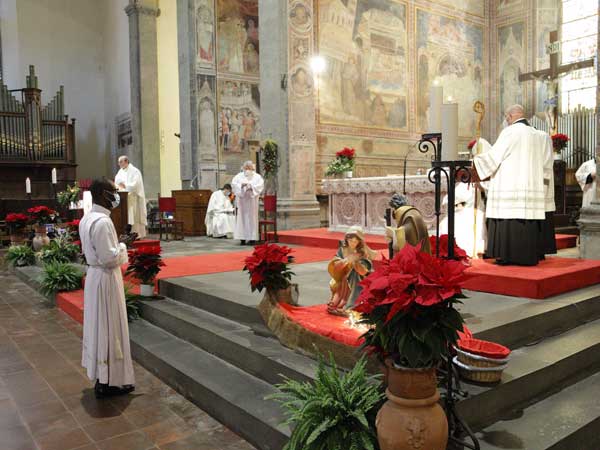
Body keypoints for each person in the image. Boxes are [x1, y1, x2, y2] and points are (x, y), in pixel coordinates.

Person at [79, 179, 135, 399]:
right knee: (109, 327)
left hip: (95, 276)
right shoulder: (102, 222)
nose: (116, 195)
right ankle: (108, 382)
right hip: (106, 279)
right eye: (114, 191)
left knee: (99, 326)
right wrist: (124, 245)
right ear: (103, 194)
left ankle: (104, 378)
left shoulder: (87, 218)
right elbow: (109, 259)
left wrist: (117, 244)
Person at [472, 105, 546, 266]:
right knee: (526, 220)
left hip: (511, 183)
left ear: (510, 116)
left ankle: (508, 256)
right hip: (530, 184)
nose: (506, 120)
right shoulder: (535, 134)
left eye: (506, 117)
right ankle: (527, 257)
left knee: (509, 217)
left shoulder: (510, 132)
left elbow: (494, 156)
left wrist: (476, 161)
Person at [327, 226, 377, 315]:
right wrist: (343, 262)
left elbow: (365, 268)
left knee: (354, 274)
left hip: (359, 277)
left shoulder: (362, 252)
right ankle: (341, 303)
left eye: (355, 241)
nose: (353, 243)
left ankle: (352, 305)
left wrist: (356, 263)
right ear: (346, 240)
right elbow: (335, 260)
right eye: (350, 241)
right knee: (343, 280)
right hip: (344, 275)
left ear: (359, 242)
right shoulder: (343, 250)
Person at [440, 183, 486, 258]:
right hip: (462, 213)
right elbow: (448, 200)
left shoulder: (474, 188)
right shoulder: (461, 187)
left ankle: (474, 250)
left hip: (474, 211)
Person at [232, 161, 264, 244]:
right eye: (246, 167)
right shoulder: (238, 176)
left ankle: (252, 238)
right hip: (242, 202)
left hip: (252, 202)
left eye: (249, 167)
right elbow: (234, 185)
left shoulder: (257, 177)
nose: (248, 169)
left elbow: (260, 186)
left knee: (252, 219)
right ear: (243, 168)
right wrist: (241, 185)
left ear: (252, 168)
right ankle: (242, 238)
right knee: (242, 219)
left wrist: (251, 187)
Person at [115, 156, 147, 239]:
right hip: (123, 198)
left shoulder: (135, 171)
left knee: (134, 217)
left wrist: (125, 185)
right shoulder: (120, 171)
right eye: (119, 162)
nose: (119, 164)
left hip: (133, 198)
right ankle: (127, 233)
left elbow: (136, 185)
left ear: (126, 161)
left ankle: (136, 234)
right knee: (127, 216)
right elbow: (117, 182)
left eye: (120, 162)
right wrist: (118, 186)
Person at [539, 129, 557, 258]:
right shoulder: (540, 136)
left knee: (544, 214)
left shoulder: (543, 136)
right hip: (538, 179)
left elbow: (546, 163)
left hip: (543, 180)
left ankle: (543, 249)